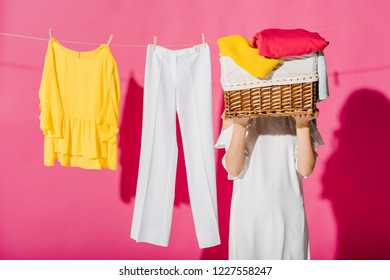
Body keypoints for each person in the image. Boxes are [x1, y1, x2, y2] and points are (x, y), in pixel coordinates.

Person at [215, 110, 324, 260]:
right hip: (248, 220)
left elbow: (305, 169)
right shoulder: (237, 104)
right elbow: (234, 168)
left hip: (289, 218)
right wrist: (240, 126)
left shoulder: (301, 105)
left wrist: (303, 125)